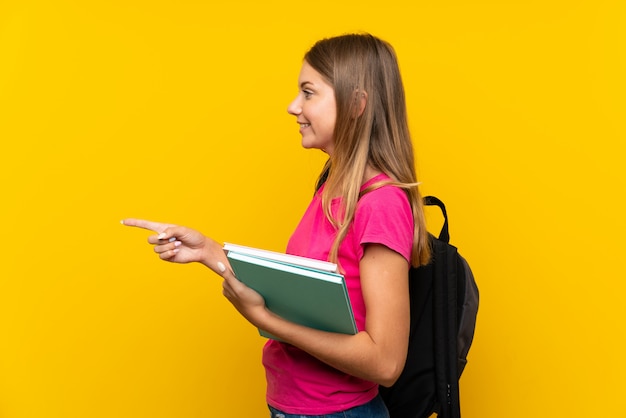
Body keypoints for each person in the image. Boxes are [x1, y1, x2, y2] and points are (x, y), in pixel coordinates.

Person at [123, 33, 430, 418]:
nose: (292, 106)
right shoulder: (331, 186)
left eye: (308, 92)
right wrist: (208, 251)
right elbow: (300, 291)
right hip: (294, 408)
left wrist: (267, 321)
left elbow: (385, 363)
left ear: (356, 104)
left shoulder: (381, 204)